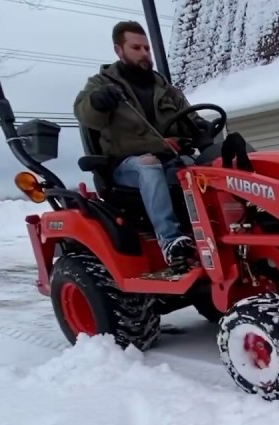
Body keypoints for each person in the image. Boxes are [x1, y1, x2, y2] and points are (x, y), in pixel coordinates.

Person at [73, 20, 213, 267]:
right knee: (148, 165)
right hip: (126, 168)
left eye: (147, 48)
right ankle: (170, 241)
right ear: (119, 50)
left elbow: (189, 117)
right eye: (136, 48)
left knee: (208, 167)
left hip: (169, 160)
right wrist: (97, 101)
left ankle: (222, 232)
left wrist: (200, 127)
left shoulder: (165, 88)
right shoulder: (102, 84)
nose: (144, 54)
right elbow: (85, 113)